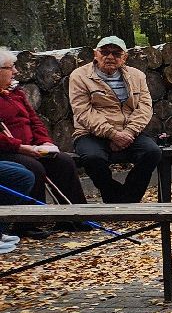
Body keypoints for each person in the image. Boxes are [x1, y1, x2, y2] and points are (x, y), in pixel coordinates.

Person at [0, 48, 89, 232]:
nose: (15, 72)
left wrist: (44, 141)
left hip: (31, 147)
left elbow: (34, 120)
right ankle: (29, 221)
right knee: (34, 167)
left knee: (63, 162)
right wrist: (21, 147)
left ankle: (76, 216)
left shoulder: (16, 93)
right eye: (11, 68)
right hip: (8, 151)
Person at [68, 36, 163, 203]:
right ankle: (114, 196)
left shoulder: (137, 76)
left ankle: (129, 199)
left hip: (129, 131)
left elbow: (145, 107)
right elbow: (83, 111)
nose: (110, 57)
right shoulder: (79, 76)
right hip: (91, 133)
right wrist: (112, 134)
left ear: (124, 57)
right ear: (95, 54)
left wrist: (129, 132)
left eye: (116, 53)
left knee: (153, 152)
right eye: (105, 52)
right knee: (93, 159)